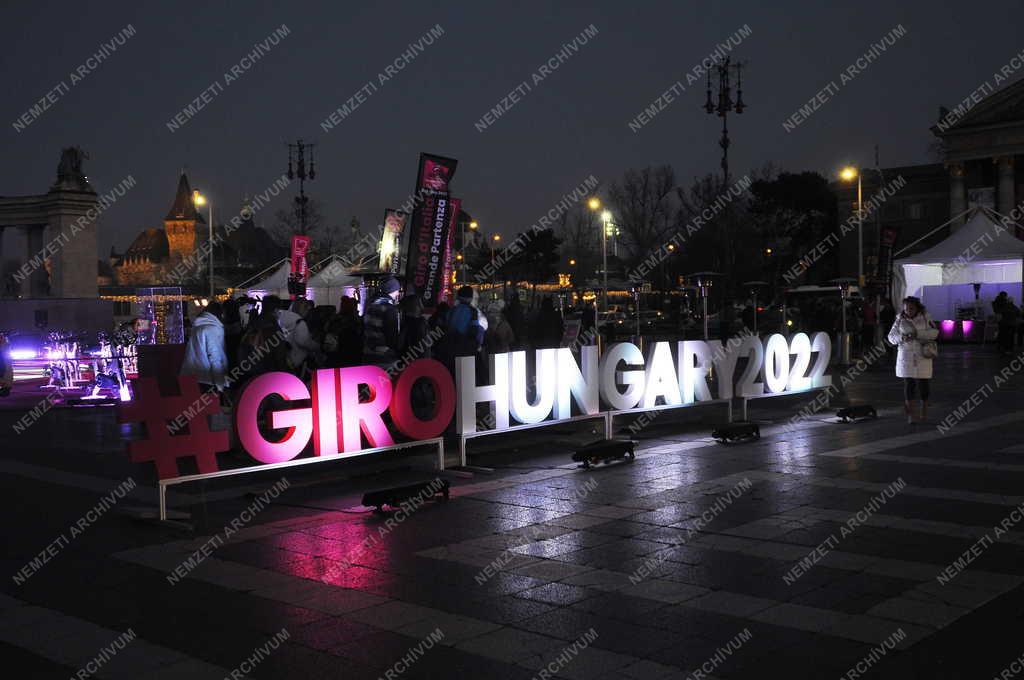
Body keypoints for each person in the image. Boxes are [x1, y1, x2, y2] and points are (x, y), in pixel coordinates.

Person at [887, 296, 938, 424]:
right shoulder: (899, 319)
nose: (908, 311)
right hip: (906, 356)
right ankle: (910, 416)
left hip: (923, 356)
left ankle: (924, 414)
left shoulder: (926, 317)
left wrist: (918, 334)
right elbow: (891, 337)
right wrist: (902, 337)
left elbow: (935, 333)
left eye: (911, 308)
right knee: (909, 386)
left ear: (917, 308)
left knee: (924, 386)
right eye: (906, 309)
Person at [180, 301, 228, 392]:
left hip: (192, 376)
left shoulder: (198, 327)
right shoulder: (212, 329)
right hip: (206, 378)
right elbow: (214, 356)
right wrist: (220, 383)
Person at [363, 277, 402, 367]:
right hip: (383, 355)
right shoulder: (389, 308)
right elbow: (391, 334)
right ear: (393, 290)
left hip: (368, 352)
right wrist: (394, 349)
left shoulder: (371, 305)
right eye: (397, 290)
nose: (398, 293)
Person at [324, 296, 363, 368]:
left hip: (337, 355)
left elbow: (327, 330)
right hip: (353, 355)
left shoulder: (335, 319)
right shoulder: (356, 320)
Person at [447, 285, 485, 359]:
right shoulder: (472, 311)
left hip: (451, 346)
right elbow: (474, 330)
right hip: (466, 347)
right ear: (470, 298)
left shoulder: (451, 310)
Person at [398, 295, 429, 359]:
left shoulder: (407, 322)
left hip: (408, 358)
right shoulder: (421, 322)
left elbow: (400, 345)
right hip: (418, 359)